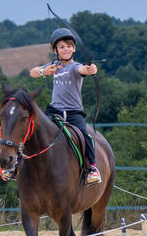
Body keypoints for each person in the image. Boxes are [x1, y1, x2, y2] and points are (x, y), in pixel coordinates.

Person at [29, 27, 101, 185]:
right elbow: (32, 72)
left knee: (84, 135)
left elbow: (83, 70)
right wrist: (44, 71)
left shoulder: (75, 67)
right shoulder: (53, 65)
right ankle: (23, 165)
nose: (66, 49)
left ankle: (92, 168)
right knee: (33, 130)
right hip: (54, 111)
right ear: (56, 50)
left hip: (74, 113)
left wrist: (90, 69)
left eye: (69, 46)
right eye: (62, 47)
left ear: (74, 48)